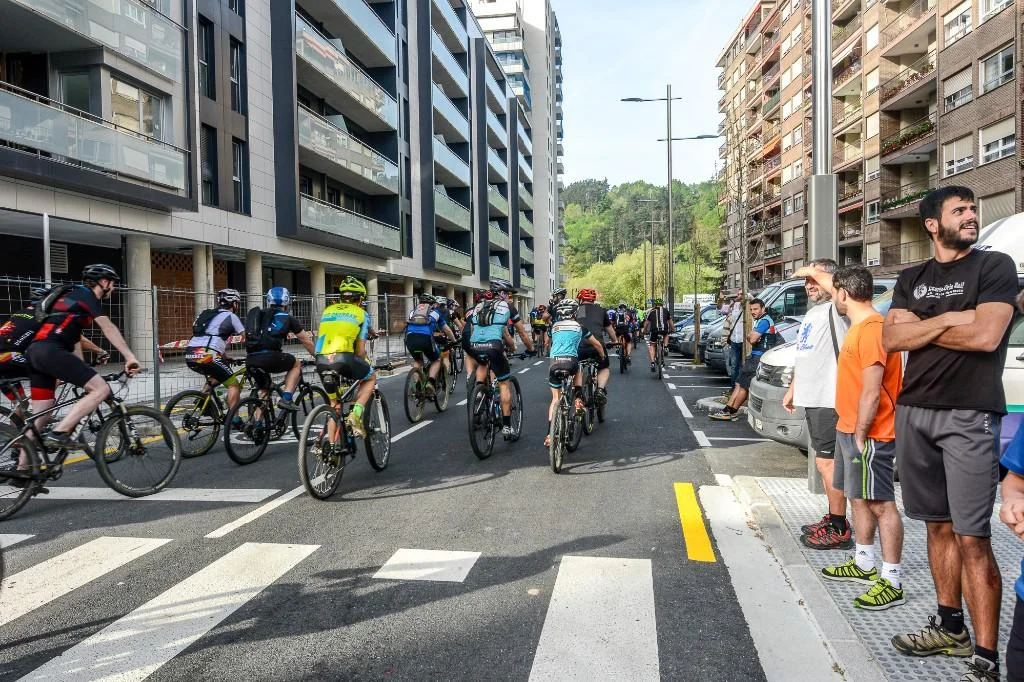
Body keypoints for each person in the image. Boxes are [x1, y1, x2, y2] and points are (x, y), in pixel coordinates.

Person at [883, 186, 1017, 682]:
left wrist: (922, 325)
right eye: (959, 210)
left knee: (972, 537)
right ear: (932, 224)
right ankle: (950, 627)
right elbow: (891, 338)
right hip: (914, 411)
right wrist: (951, 317)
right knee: (936, 526)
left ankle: (986, 657)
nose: (970, 215)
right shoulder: (912, 277)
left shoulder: (993, 266)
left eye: (972, 209)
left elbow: (986, 336)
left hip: (969, 415)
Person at [802, 265, 906, 610]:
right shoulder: (859, 326)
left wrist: (861, 433)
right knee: (858, 498)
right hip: (848, 428)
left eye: (836, 292)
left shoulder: (873, 329)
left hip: (871, 433)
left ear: (844, 294)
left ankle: (891, 579)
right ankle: (863, 562)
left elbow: (872, 391)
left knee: (881, 504)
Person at [25, 265, 140, 449]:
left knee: (42, 416)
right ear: (104, 282)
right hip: (51, 351)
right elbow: (108, 327)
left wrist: (83, 369)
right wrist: (129, 357)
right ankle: (59, 433)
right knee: (101, 390)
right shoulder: (86, 295)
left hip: (35, 352)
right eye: (113, 284)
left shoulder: (71, 298)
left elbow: (74, 339)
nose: (113, 288)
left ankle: (23, 463)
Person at [783, 260, 852, 551]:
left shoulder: (839, 307)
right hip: (814, 398)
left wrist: (811, 270)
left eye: (814, 279)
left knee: (828, 463)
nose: (808, 285)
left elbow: (835, 287)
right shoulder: (814, 313)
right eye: (806, 282)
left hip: (829, 398)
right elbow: (807, 355)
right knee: (825, 462)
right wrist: (793, 388)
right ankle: (833, 517)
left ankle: (838, 527)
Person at [467, 279, 535, 438]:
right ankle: (506, 426)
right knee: (504, 383)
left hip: (474, 345)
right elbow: (522, 332)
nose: (510, 298)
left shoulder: (479, 306)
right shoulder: (507, 307)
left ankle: (479, 391)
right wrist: (531, 349)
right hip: (494, 346)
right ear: (501, 293)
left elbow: (472, 328)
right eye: (508, 294)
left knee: (483, 363)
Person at [314, 276, 377, 438]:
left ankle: (328, 446)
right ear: (360, 299)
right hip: (343, 359)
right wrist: (367, 363)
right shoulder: (362, 314)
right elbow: (360, 351)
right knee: (370, 377)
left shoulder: (328, 310)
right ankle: (355, 414)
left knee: (334, 404)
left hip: (320, 360)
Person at [544, 299, 604, 448]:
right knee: (578, 369)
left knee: (555, 399)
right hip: (571, 362)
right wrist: (602, 355)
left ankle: (550, 435)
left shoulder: (554, 326)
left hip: (554, 363)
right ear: (575, 313)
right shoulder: (579, 327)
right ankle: (578, 399)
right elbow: (596, 343)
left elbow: (547, 342)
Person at [244, 286, 316, 411]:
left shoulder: (258, 315)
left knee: (265, 391)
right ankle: (286, 398)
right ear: (287, 301)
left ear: (269, 300)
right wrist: (318, 357)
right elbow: (306, 341)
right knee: (296, 364)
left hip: (251, 360)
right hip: (271, 358)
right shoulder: (288, 318)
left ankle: (257, 421)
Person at [710, 298, 776, 421]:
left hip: (757, 358)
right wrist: (751, 336)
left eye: (756, 309)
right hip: (754, 357)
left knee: (743, 386)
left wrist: (751, 336)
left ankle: (731, 411)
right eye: (751, 309)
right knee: (739, 384)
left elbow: (752, 339)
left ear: (763, 309)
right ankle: (728, 410)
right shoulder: (761, 320)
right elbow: (751, 337)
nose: (753, 312)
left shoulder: (764, 321)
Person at [184, 288, 246, 413]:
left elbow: (208, 337)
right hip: (208, 355)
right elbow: (246, 337)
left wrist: (225, 357)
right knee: (233, 384)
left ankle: (203, 398)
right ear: (234, 303)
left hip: (190, 354)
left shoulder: (206, 314)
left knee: (217, 375)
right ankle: (234, 418)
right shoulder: (231, 316)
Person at [405, 294, 455, 398]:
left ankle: (417, 385)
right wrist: (453, 341)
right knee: (436, 360)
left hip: (410, 338)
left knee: (417, 361)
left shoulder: (412, 312)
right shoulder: (436, 312)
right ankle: (430, 382)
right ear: (432, 304)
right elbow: (447, 330)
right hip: (425, 338)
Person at [575, 288, 618, 405]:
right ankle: (600, 389)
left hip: (579, 346)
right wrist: (614, 340)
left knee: (577, 367)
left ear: (580, 299)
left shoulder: (578, 310)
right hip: (597, 346)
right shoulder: (601, 310)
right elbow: (609, 329)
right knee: (604, 367)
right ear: (593, 300)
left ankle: (578, 391)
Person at [643, 298, 671, 372]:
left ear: (655, 304)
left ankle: (652, 363)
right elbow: (670, 322)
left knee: (652, 345)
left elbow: (646, 323)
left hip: (654, 330)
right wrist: (673, 329)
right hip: (664, 329)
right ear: (662, 304)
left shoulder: (651, 311)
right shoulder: (666, 311)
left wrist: (644, 331)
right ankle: (665, 347)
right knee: (666, 335)